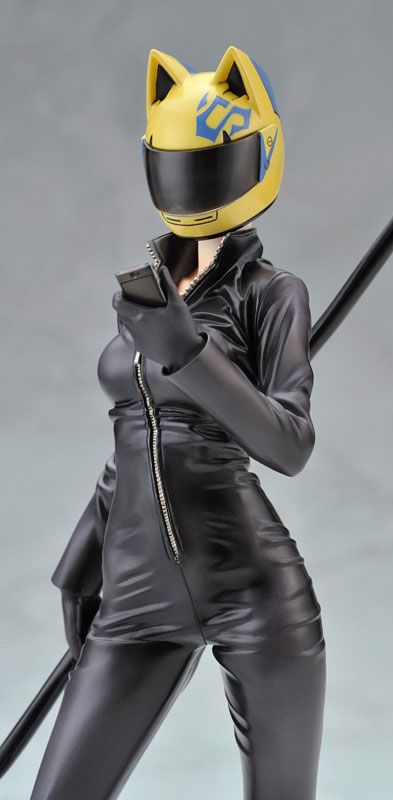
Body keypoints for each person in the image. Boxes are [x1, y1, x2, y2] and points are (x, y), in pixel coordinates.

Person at [30, 44, 326, 800]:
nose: (194, 185)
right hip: (134, 598)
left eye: (211, 163)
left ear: (257, 155)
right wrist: (81, 561)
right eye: (178, 165)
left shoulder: (271, 293)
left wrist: (189, 353)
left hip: (254, 593)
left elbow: (289, 444)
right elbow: (132, 443)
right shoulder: (149, 293)